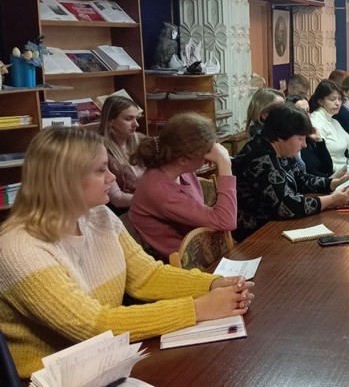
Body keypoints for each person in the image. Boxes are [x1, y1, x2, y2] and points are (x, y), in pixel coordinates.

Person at [0, 127, 254, 379]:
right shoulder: (19, 249)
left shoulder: (98, 215)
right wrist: (197, 308)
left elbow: (147, 276)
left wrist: (212, 284)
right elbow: (94, 325)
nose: (112, 177)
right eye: (101, 170)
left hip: (102, 363)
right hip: (48, 378)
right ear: (65, 180)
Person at [232, 104, 349, 241]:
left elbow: (300, 178)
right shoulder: (260, 158)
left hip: (277, 225)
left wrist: (334, 183)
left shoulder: (279, 149)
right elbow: (288, 205)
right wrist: (332, 200)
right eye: (300, 138)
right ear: (280, 136)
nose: (304, 145)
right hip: (256, 235)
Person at [129, 113, 237, 261]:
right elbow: (226, 221)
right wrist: (224, 162)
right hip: (179, 265)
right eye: (205, 153)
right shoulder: (161, 190)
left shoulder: (183, 172)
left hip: (203, 253)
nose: (210, 159)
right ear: (183, 160)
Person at [97, 95, 144, 214]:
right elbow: (117, 199)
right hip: (125, 212)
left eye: (136, 118)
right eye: (129, 119)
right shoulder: (100, 150)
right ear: (110, 121)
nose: (136, 124)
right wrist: (155, 200)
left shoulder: (141, 140)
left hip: (147, 204)